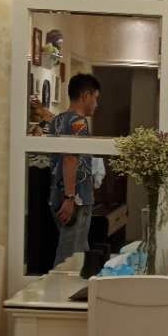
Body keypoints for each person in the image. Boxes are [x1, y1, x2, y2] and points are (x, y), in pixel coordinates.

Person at [49, 73, 102, 268]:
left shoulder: (57, 120)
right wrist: (70, 197)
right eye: (95, 98)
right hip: (75, 198)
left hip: (56, 194)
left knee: (78, 251)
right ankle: (57, 287)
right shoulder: (78, 123)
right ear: (85, 96)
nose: (96, 104)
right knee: (69, 258)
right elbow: (70, 158)